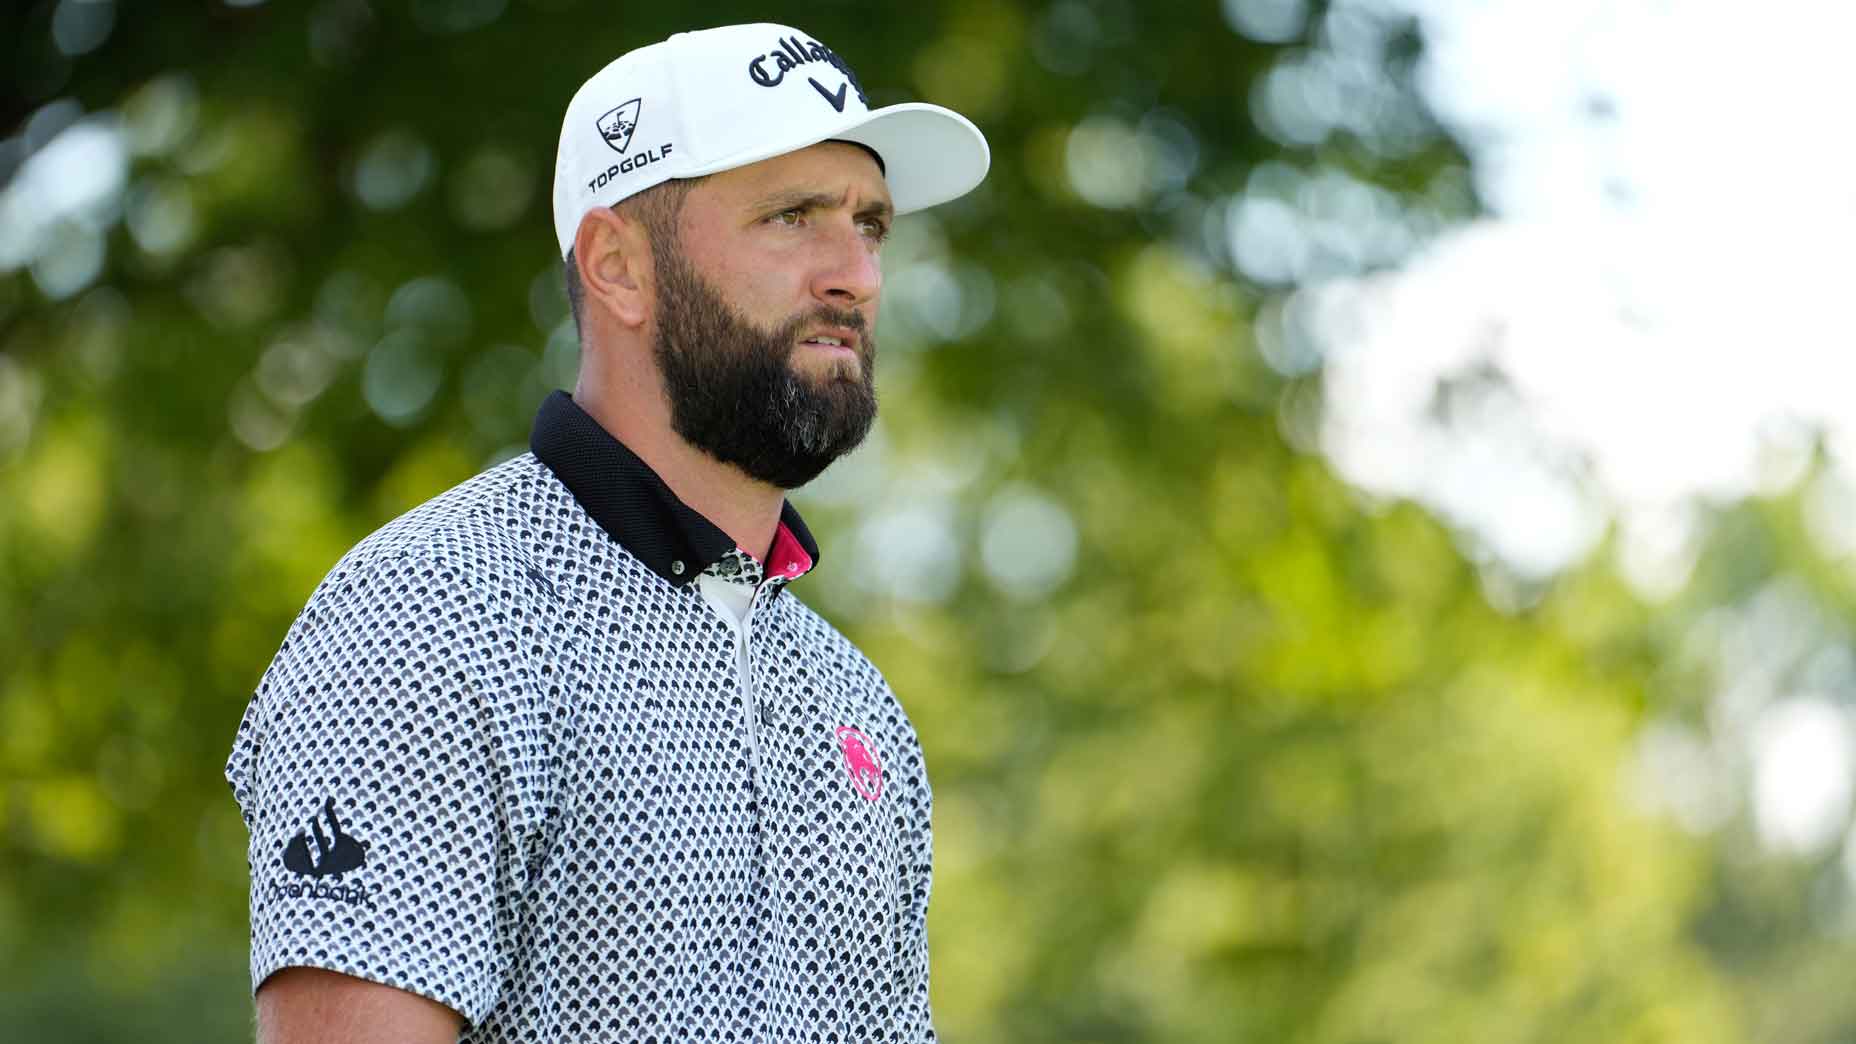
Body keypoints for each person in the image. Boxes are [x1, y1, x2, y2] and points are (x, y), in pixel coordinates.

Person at [223, 22, 989, 1043]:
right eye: (791, 216)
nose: (856, 273)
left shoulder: (859, 709)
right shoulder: (427, 618)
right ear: (618, 267)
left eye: (870, 223)